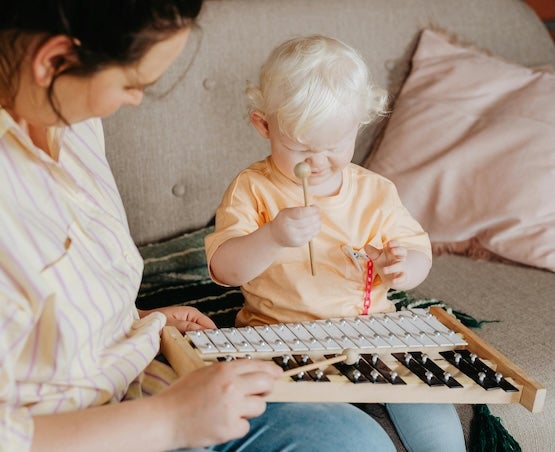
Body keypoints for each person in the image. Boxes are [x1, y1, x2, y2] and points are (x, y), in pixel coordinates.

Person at [0, 4, 397, 452]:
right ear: (54, 62)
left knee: (355, 438)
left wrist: (134, 320)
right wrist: (170, 421)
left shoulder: (72, 120)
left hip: (145, 375)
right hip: (88, 430)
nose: (134, 100)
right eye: (133, 84)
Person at [205, 35, 466, 451]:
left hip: (375, 335)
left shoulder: (375, 192)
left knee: (436, 413)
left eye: (334, 146)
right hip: (281, 339)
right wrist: (272, 237)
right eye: (301, 148)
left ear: (357, 126)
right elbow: (223, 269)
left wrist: (404, 266)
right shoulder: (252, 189)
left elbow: (418, 252)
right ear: (264, 126)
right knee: (326, 423)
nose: (319, 161)